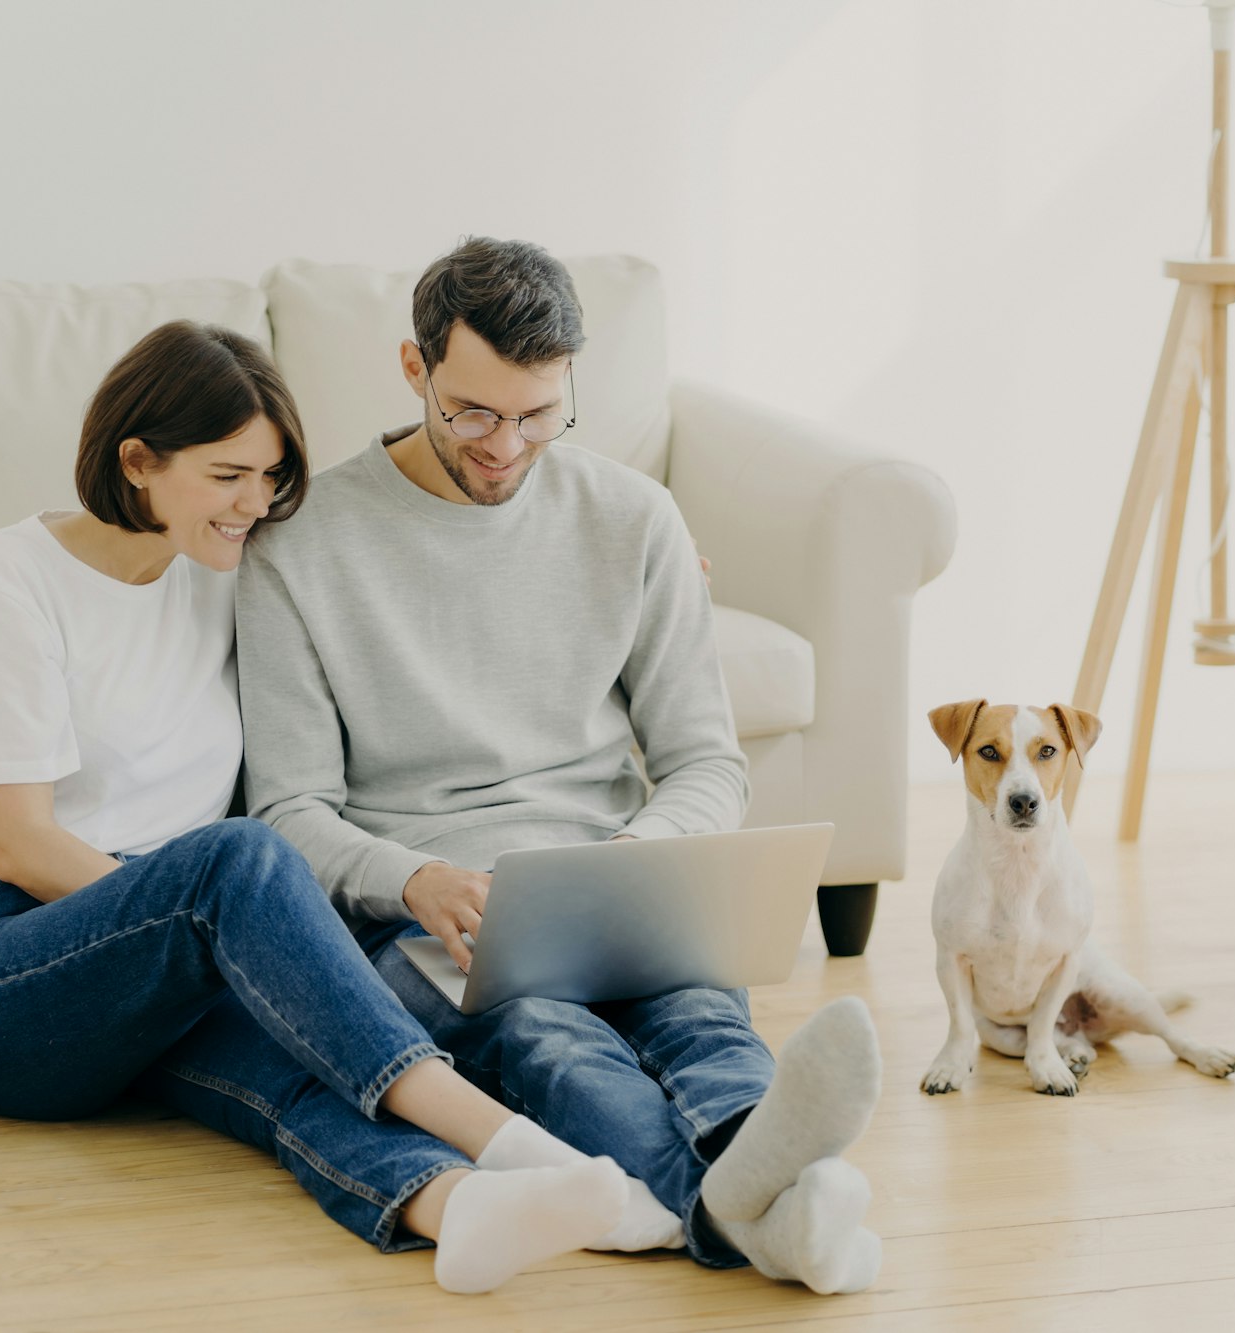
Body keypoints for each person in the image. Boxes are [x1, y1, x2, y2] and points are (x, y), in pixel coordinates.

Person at [0, 319, 675, 1294]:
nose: (254, 504)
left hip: (151, 960)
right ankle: (509, 1141)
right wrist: (199, 920)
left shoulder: (225, 572)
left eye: (268, 477)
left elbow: (408, 565)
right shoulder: (8, 581)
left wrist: (645, 562)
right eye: (227, 476)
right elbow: (19, 845)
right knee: (240, 857)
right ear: (138, 460)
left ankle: (453, 1207)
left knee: (301, 1064)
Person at [234, 237, 885, 1295]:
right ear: (414, 371)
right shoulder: (301, 543)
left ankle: (749, 1178)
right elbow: (288, 809)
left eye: (539, 415)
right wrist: (413, 878)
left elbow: (704, 762)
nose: (504, 446)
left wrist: (645, 852)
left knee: (701, 1014)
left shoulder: (632, 517)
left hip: (614, 872)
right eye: (473, 413)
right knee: (547, 1038)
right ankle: (761, 1207)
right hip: (432, 904)